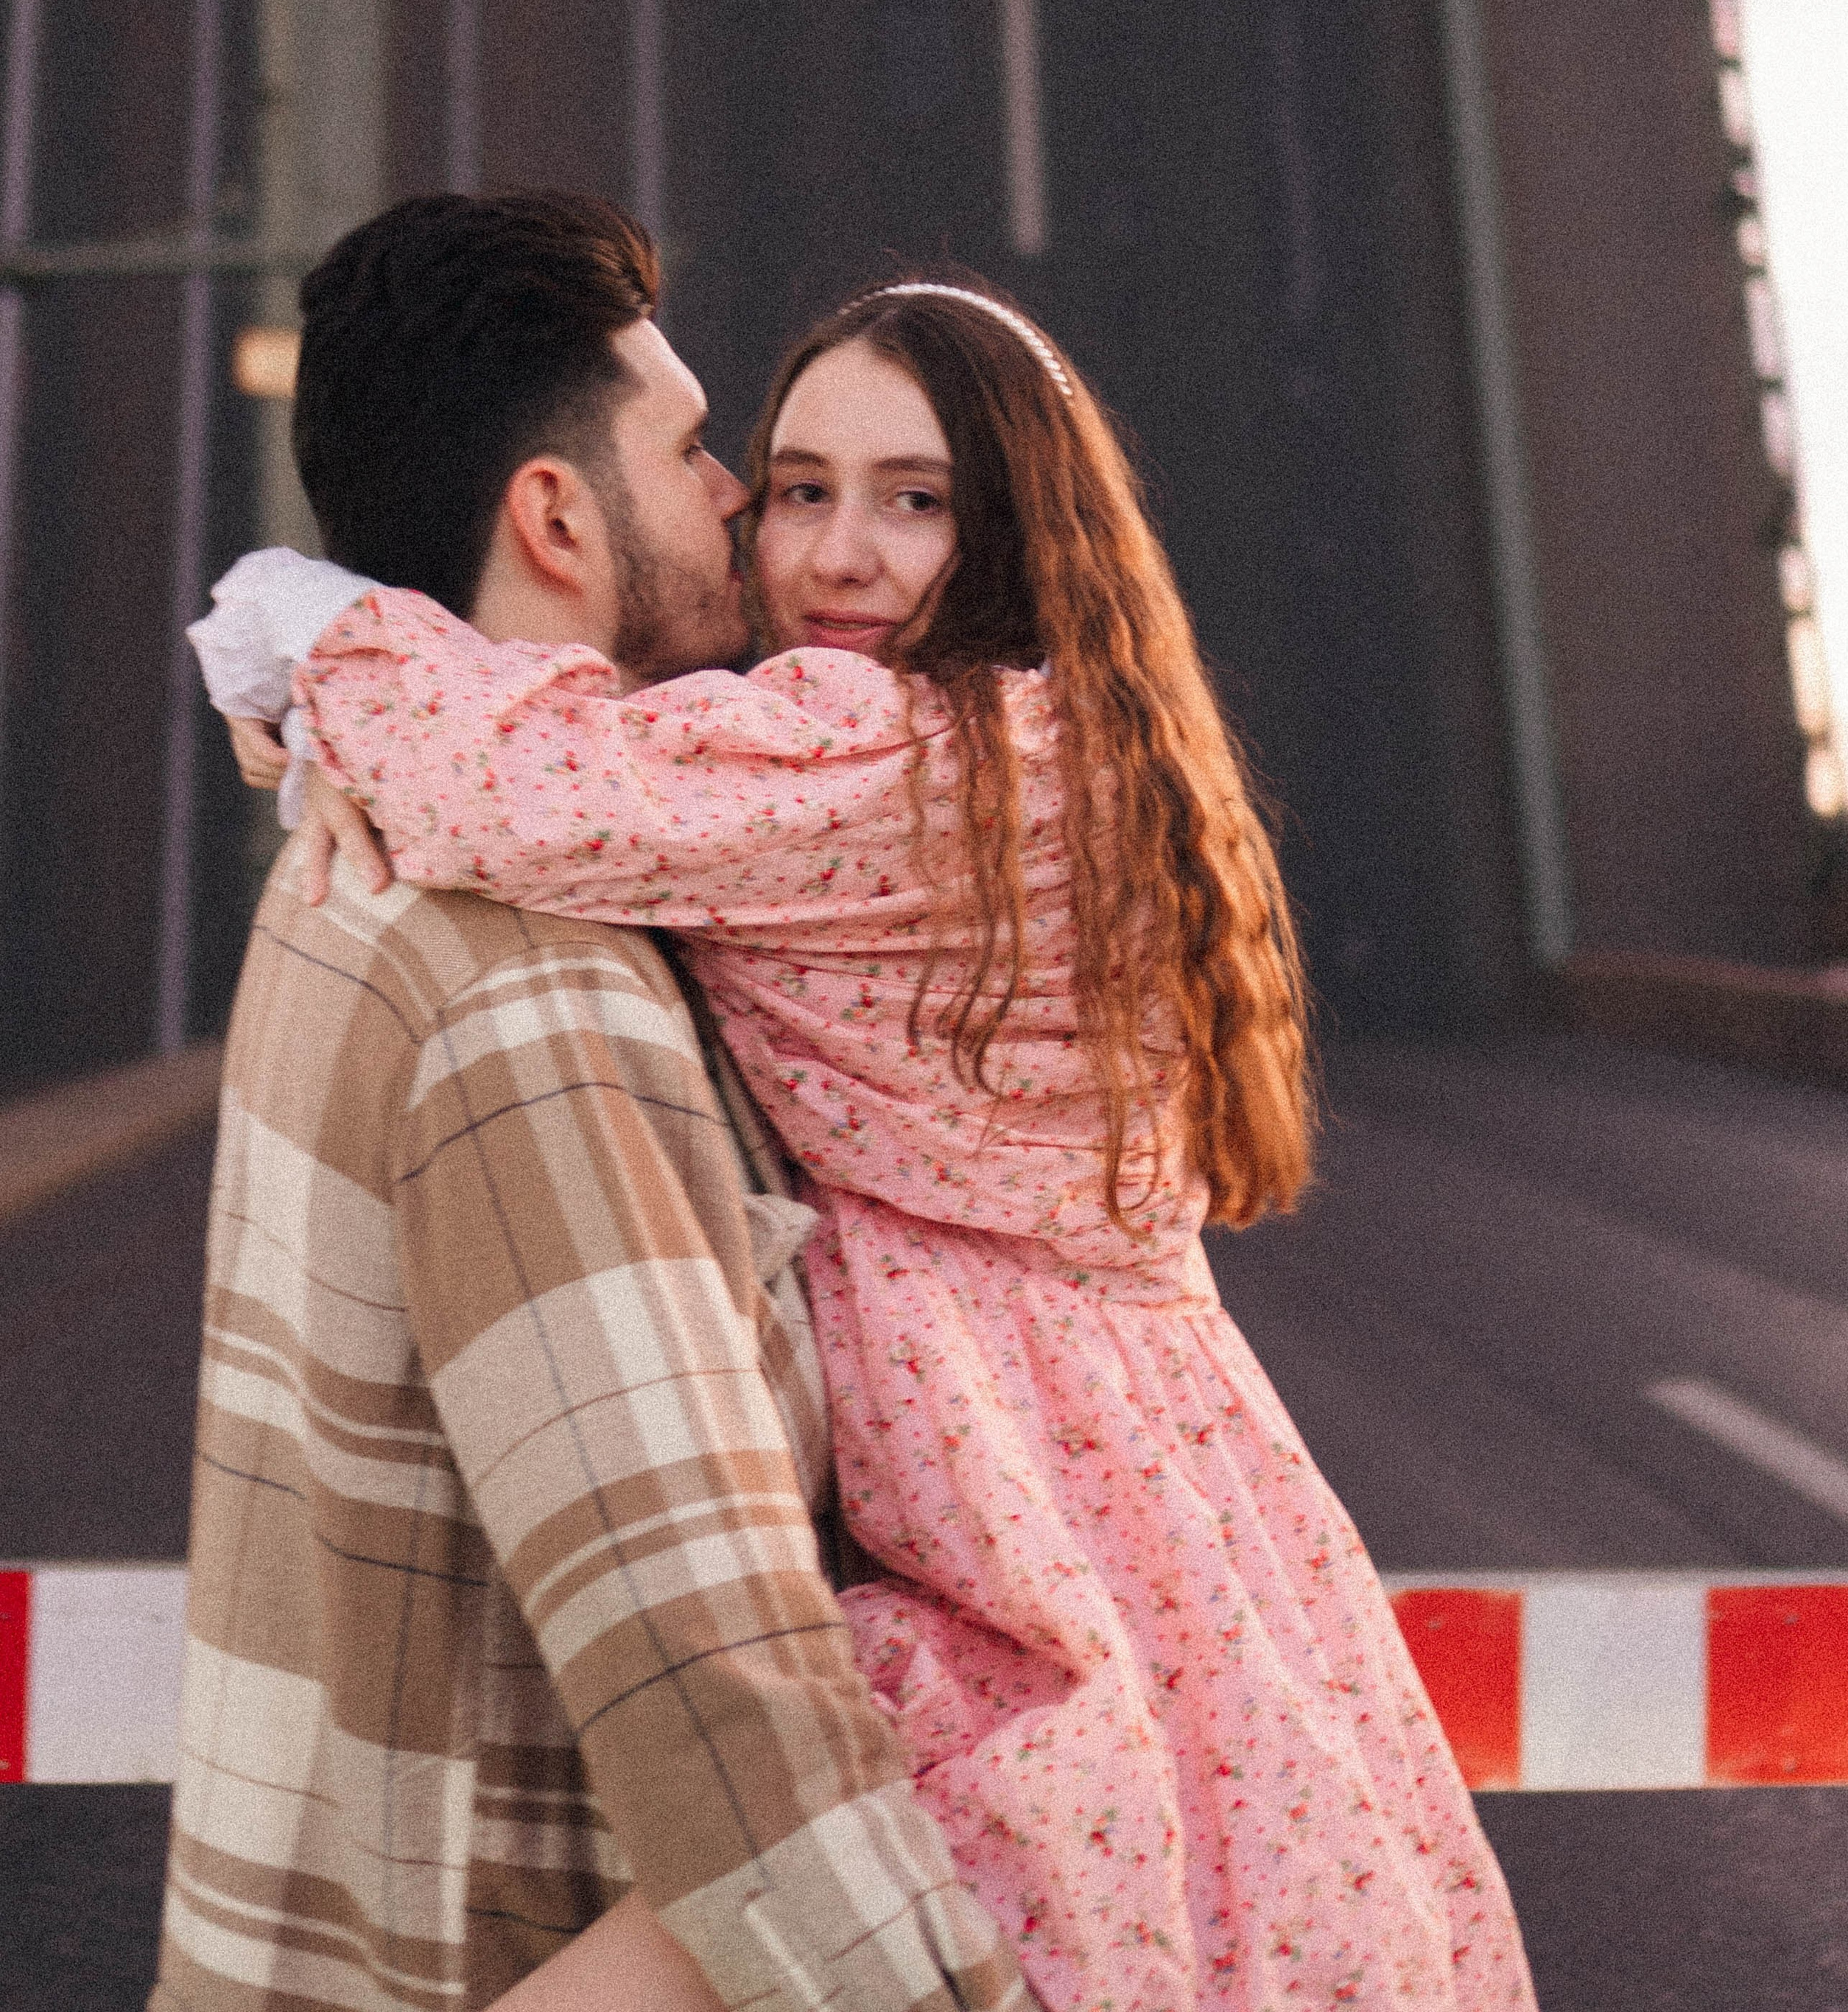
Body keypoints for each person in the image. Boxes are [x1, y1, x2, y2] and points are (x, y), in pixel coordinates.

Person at [203, 249, 1538, 2011]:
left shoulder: (901, 758)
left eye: (914, 503)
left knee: (861, 1873)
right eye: (796, 489)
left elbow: (510, 790)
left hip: (1032, 1504)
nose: (835, 554)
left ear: (1015, 533)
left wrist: (290, 625)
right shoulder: (1022, 740)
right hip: (1144, 1487)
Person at [161, 194, 1036, 2012]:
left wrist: (309, 674)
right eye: (698, 449)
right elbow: (707, 1677)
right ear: (557, 515)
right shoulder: (533, 991)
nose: (739, 500)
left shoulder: (379, 859)